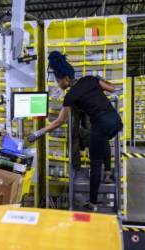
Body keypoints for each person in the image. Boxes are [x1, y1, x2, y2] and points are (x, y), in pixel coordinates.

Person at [28, 51, 123, 211]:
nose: (58, 84)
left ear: (66, 78)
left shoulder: (70, 96)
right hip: (115, 122)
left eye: (58, 81)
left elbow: (59, 122)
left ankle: (93, 203)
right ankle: (108, 172)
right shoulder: (89, 79)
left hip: (100, 124)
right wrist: (99, 83)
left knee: (95, 163)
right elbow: (112, 89)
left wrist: (38, 133)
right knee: (102, 140)